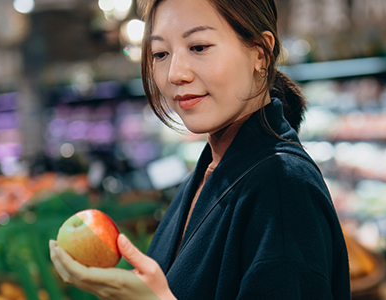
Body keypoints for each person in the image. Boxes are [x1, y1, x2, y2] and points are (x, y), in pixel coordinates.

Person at [48, 0, 352, 299]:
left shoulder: (283, 188)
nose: (175, 74)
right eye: (160, 53)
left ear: (260, 53)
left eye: (199, 47)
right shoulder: (209, 171)